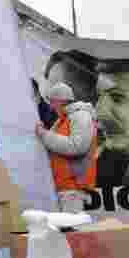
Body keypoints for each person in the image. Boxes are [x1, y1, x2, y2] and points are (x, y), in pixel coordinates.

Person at [35, 80, 98, 213]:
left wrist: (44, 134)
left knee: (72, 230)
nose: (51, 107)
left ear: (60, 101)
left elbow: (77, 146)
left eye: (52, 102)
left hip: (73, 187)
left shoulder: (80, 116)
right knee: (68, 231)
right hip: (63, 187)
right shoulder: (63, 120)